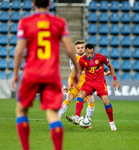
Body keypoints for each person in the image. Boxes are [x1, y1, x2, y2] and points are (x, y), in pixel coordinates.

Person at [11, 0, 79, 150]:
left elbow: (19, 51)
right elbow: (69, 49)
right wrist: (77, 71)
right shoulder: (59, 22)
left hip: (31, 73)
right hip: (51, 74)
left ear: (34, 3)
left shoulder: (25, 22)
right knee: (53, 115)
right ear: (49, 4)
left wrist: (15, 73)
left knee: (21, 110)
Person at [58, 40, 111, 128]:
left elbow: (96, 71)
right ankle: (57, 119)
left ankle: (87, 122)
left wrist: (104, 73)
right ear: (75, 49)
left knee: (91, 102)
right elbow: (75, 71)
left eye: (82, 47)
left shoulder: (91, 58)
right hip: (75, 82)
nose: (80, 49)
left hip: (87, 82)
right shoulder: (73, 58)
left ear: (85, 49)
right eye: (78, 48)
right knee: (69, 98)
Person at [69, 43, 120, 131]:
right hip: (88, 83)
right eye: (88, 53)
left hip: (100, 82)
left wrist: (115, 80)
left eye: (91, 53)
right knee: (80, 94)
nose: (89, 55)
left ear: (94, 51)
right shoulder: (82, 60)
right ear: (85, 51)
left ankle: (112, 123)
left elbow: (110, 66)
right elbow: (78, 74)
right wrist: (70, 85)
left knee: (105, 100)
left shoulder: (101, 57)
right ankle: (77, 118)